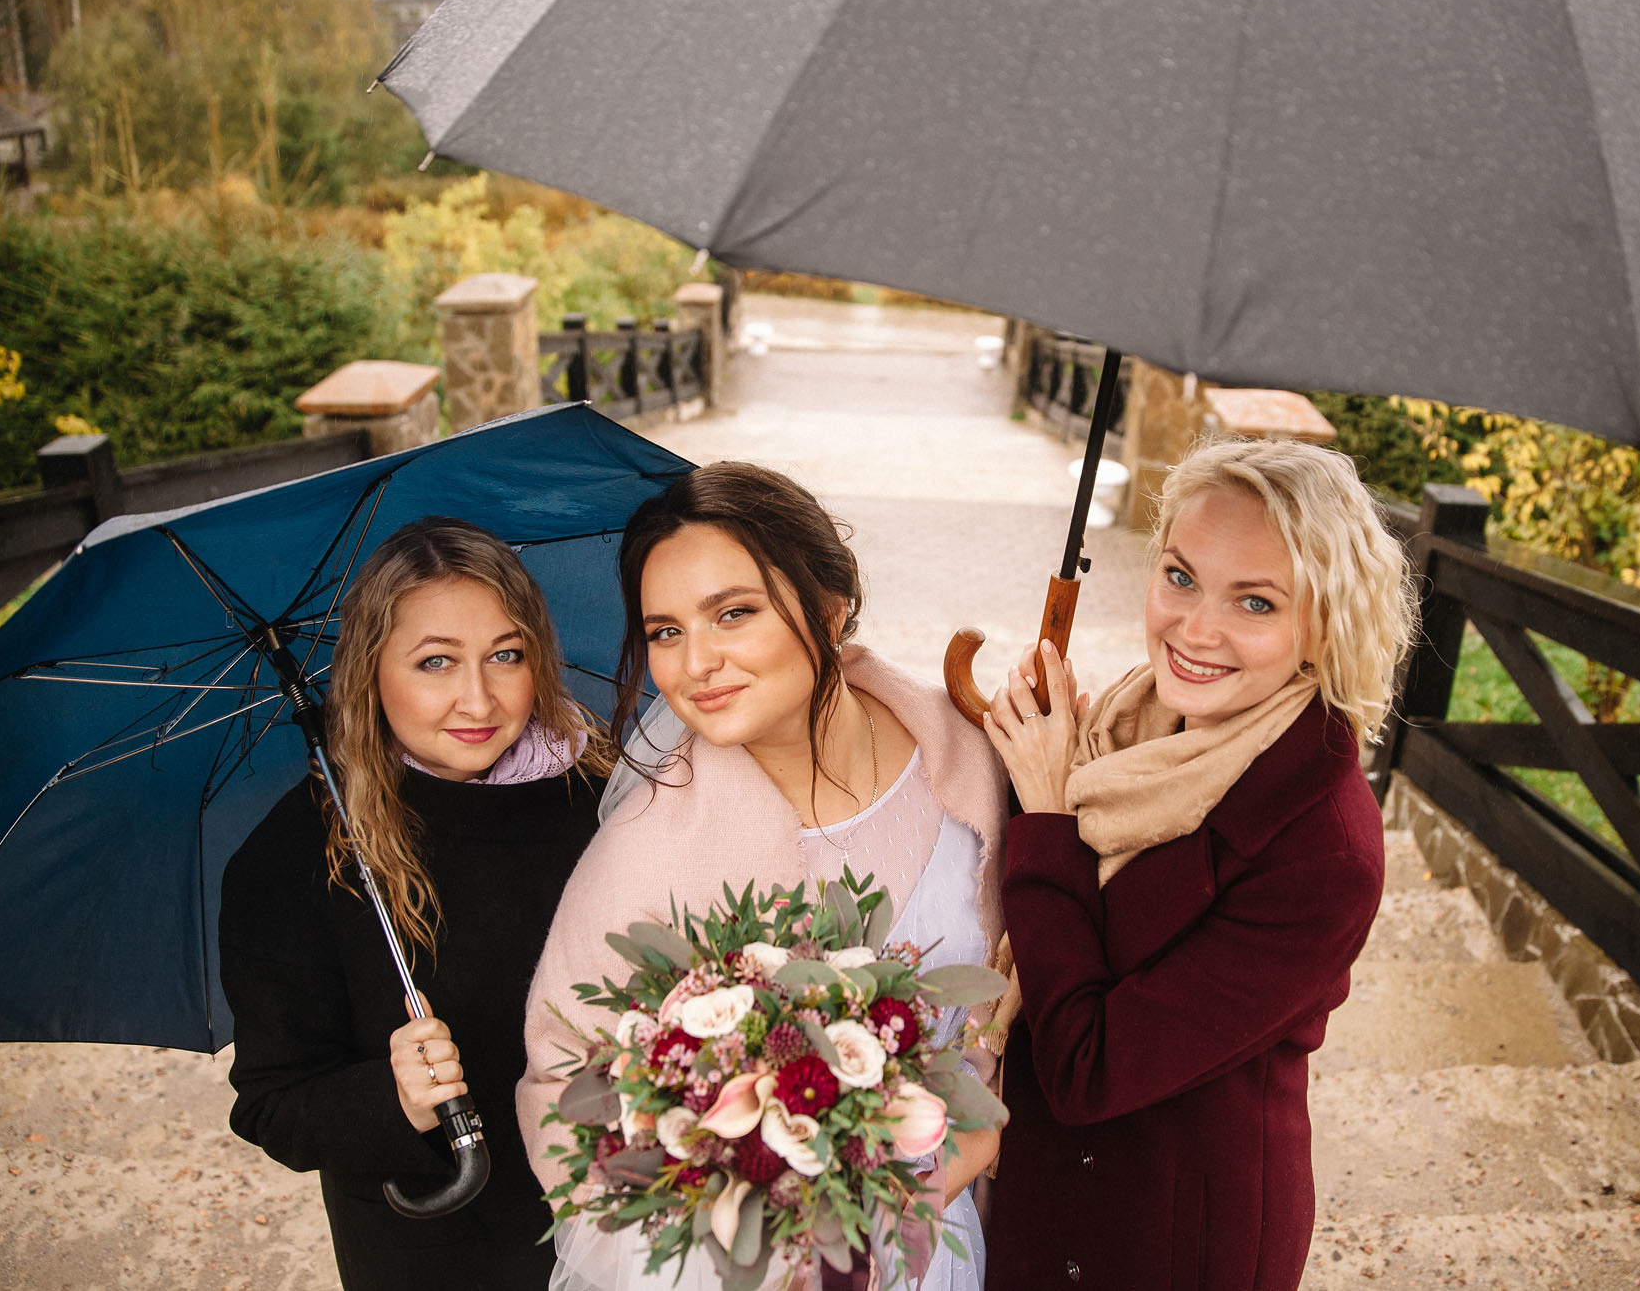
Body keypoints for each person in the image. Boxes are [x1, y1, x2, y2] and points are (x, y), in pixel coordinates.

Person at [517, 462, 1008, 1291]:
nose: (695, 663)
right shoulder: (645, 853)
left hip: (948, 1247)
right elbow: (562, 1081)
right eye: (665, 630)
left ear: (829, 605)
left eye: (733, 613)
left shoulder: (968, 762)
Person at [980, 438, 1419, 1291]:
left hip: (1163, 1237)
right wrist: (1036, 765)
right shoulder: (1126, 729)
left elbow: (1089, 1063)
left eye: (1255, 602)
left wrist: (1049, 812)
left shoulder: (1323, 851)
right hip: (1041, 1191)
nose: (1195, 629)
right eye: (1180, 576)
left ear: (1325, 625)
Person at [220, 516, 613, 1290]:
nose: (479, 696)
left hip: (617, 1217)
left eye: (507, 653)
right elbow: (273, 1101)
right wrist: (391, 1098)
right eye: (436, 662)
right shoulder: (298, 856)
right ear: (370, 671)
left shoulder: (601, 800)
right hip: (436, 1246)